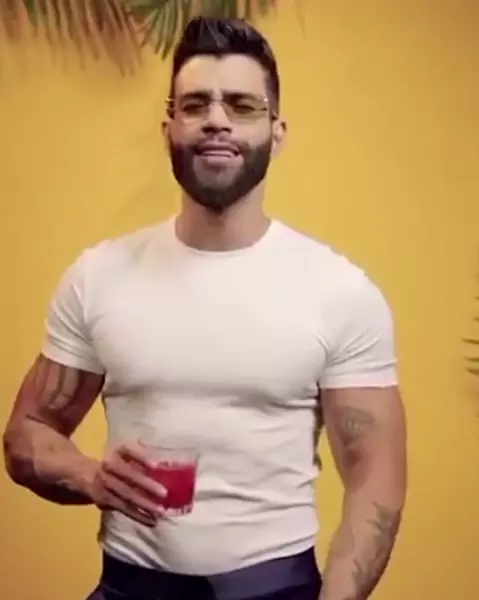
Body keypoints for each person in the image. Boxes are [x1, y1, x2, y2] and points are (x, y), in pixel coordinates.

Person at [2, 16, 407, 600]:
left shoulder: (340, 292)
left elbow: (376, 482)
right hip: (129, 587)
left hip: (276, 589)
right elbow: (27, 433)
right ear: (169, 128)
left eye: (242, 105)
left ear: (277, 131)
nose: (217, 119)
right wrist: (90, 476)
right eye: (196, 105)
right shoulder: (98, 276)